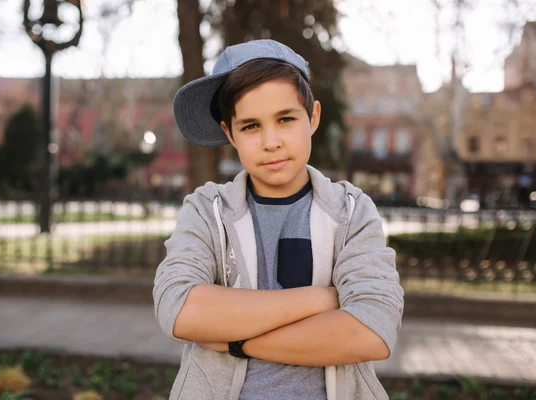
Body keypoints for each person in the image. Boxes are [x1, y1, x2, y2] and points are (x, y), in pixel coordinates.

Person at [153, 39, 404, 400]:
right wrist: (322, 299)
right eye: (251, 126)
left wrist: (235, 340)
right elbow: (178, 310)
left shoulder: (351, 211)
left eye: (285, 119)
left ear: (313, 117)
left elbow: (372, 331)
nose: (271, 142)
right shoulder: (207, 210)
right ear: (229, 133)